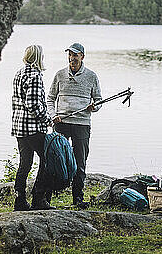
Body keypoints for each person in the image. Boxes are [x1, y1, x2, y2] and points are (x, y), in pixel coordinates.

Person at [47, 42, 102, 208]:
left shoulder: (91, 76)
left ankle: (78, 198)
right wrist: (53, 115)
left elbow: (99, 100)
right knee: (54, 160)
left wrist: (94, 107)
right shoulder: (59, 75)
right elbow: (50, 98)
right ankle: (47, 198)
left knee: (80, 162)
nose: (72, 58)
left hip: (82, 125)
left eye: (75, 55)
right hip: (61, 123)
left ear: (82, 57)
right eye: (70, 55)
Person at [11, 45, 54, 211]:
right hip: (33, 128)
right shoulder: (35, 76)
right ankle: (39, 199)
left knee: (25, 164)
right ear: (38, 57)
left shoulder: (19, 73)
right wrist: (47, 119)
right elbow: (33, 104)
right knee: (46, 160)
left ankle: (19, 201)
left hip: (19, 128)